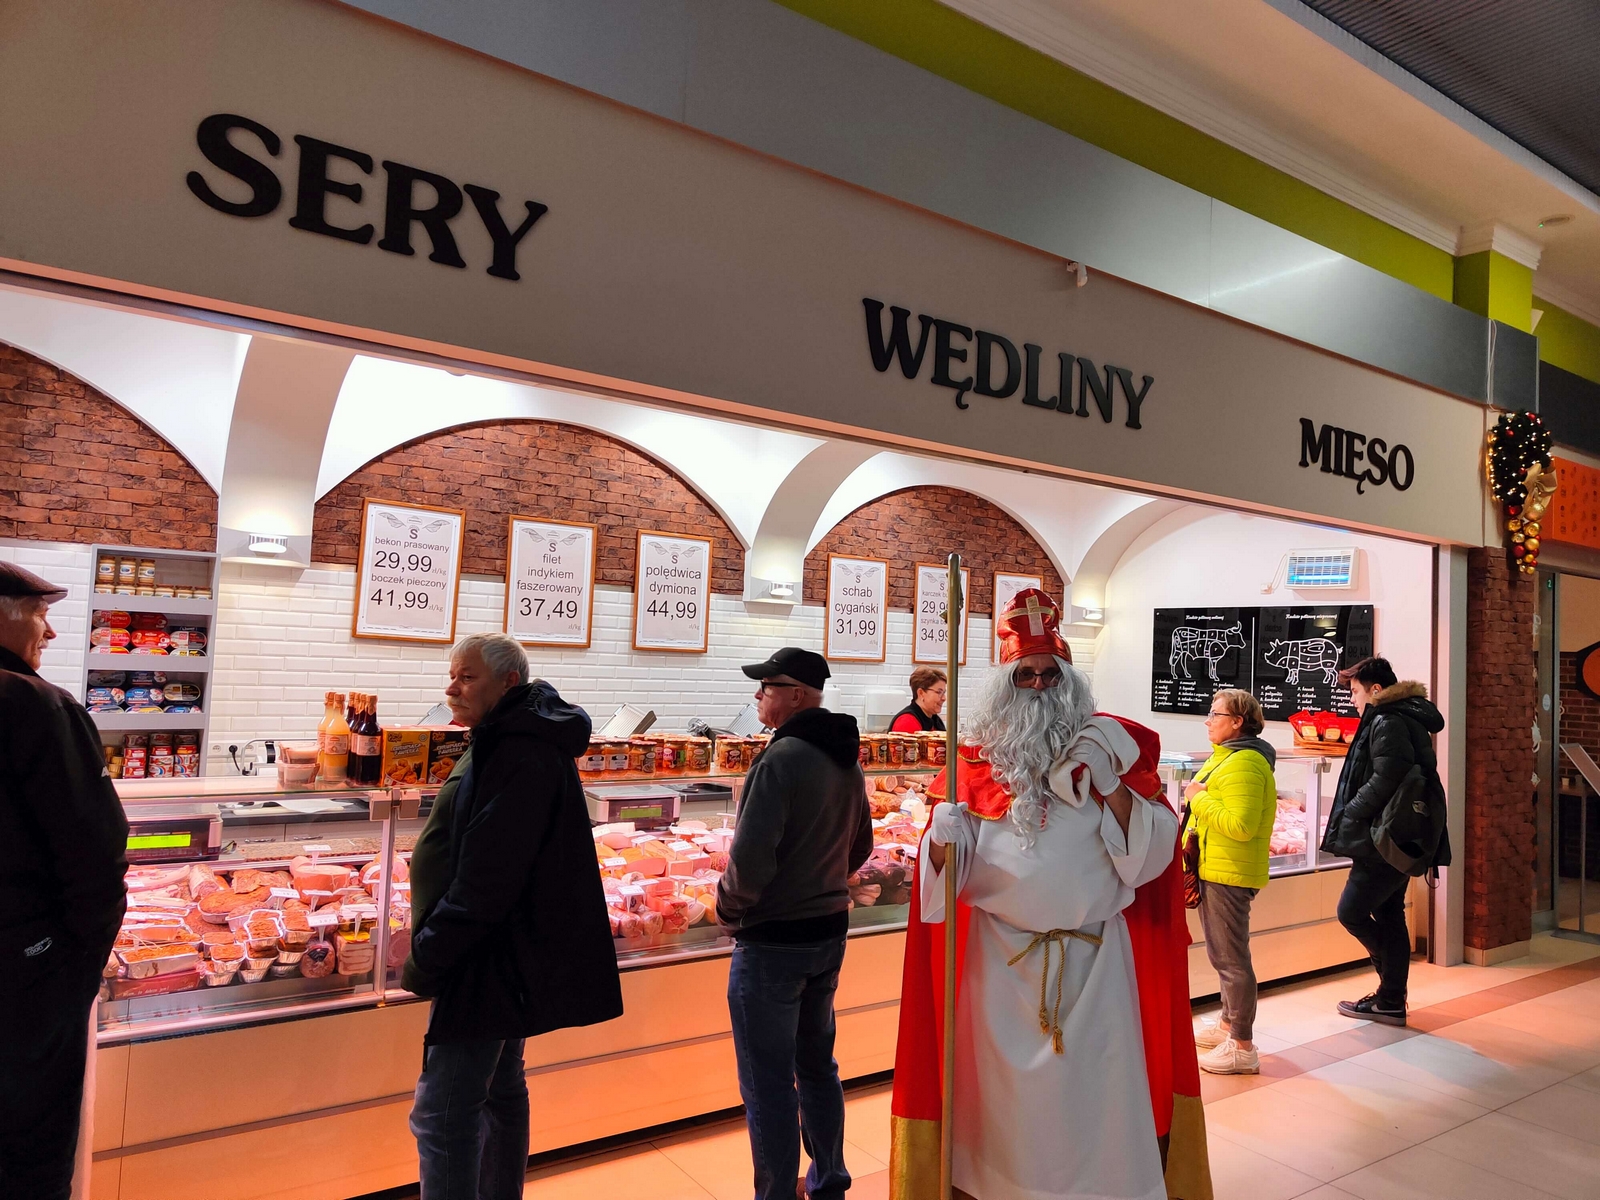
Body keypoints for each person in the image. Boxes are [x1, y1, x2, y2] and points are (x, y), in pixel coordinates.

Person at [891, 589, 1211, 1200]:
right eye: (1025, 675)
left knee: (1098, 1101)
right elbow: (940, 893)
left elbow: (1149, 863)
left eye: (1050, 674)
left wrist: (1112, 786)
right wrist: (939, 840)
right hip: (998, 971)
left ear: (1069, 679)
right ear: (1005, 685)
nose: (1039, 686)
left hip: (1097, 966)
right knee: (1003, 1115)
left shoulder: (1111, 750)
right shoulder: (971, 764)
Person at [403, 633, 622, 1199]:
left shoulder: (518, 750)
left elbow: (489, 878)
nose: (452, 688)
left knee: (442, 1114)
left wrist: (428, 954)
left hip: (485, 956)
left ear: (508, 682)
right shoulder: (506, 736)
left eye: (467, 677)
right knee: (500, 1090)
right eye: (452, 676)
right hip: (500, 949)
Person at [717, 646, 872, 1200]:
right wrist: (822, 878)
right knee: (817, 1066)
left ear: (798, 695)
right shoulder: (846, 757)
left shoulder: (780, 759)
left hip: (773, 944)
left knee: (767, 1084)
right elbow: (861, 846)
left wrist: (727, 909)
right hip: (828, 933)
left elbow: (750, 860)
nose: (758, 695)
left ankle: (776, 1192)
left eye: (767, 687)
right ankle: (829, 1181)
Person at [0, 563, 129, 1200]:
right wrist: (75, 970)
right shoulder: (36, 704)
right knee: (29, 1150)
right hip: (24, 976)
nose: (48, 632)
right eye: (38, 613)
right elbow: (97, 854)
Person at [1321, 655, 1442, 1027]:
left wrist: (1353, 811)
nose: (1352, 700)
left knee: (1351, 912)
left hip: (1382, 836)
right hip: (1398, 833)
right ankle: (1390, 999)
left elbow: (1388, 774)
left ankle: (1389, 985)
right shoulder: (1400, 716)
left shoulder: (1388, 719)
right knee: (1390, 913)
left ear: (1375, 689)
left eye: (1355, 692)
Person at [1186, 688, 1277, 1076]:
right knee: (1222, 956)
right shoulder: (1227, 756)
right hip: (1215, 867)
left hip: (1229, 872)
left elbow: (1241, 826)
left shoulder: (1245, 763)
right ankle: (1227, 1025)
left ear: (1238, 722)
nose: (1208, 721)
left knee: (1231, 960)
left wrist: (1197, 798)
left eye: (1216, 714)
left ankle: (1242, 1045)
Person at [889, 666, 947, 733]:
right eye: (939, 692)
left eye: (944, 693)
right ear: (921, 693)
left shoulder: (935, 720)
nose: (944, 698)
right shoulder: (906, 722)